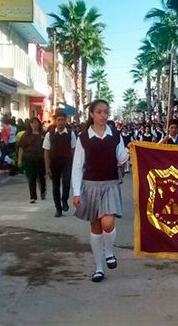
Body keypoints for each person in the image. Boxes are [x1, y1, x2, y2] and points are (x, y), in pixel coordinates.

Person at [71, 99, 128, 283]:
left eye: (106, 112)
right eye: (99, 112)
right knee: (95, 226)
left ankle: (109, 252)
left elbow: (120, 159)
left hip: (110, 184)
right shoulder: (83, 138)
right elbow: (77, 166)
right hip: (90, 185)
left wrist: (130, 151)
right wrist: (76, 192)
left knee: (107, 223)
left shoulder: (115, 135)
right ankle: (98, 267)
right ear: (92, 115)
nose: (103, 115)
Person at [43, 111, 76, 217]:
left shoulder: (71, 134)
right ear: (55, 121)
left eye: (63, 120)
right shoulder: (49, 134)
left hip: (67, 161)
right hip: (54, 162)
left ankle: (64, 199)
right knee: (55, 186)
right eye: (59, 120)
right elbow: (46, 151)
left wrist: (75, 165)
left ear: (66, 121)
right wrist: (47, 167)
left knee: (66, 182)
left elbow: (74, 150)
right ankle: (58, 208)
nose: (61, 122)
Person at [18, 117, 46, 204]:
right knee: (31, 177)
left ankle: (43, 191)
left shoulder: (43, 134)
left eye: (36, 122)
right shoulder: (25, 135)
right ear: (30, 124)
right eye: (32, 123)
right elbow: (21, 148)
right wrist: (19, 160)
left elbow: (47, 148)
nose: (34, 124)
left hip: (41, 159)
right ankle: (33, 196)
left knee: (41, 177)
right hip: (29, 159)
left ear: (39, 124)